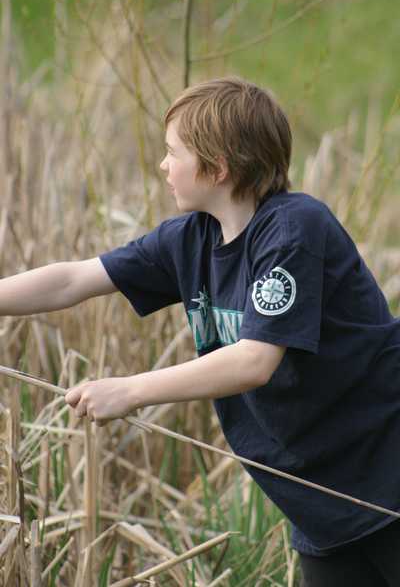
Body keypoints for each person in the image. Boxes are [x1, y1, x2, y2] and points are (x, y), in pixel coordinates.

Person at [1, 76, 400, 586]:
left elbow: (254, 361)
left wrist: (130, 390)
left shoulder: (293, 229)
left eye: (174, 153)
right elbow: (72, 280)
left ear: (218, 167)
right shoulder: (189, 240)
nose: (162, 165)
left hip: (386, 471)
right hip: (321, 505)